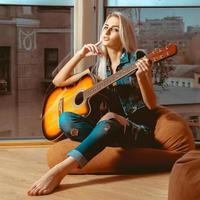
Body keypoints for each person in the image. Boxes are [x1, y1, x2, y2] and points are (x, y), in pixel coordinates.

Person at [28, 11, 158, 196]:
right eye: (105, 27)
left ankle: (60, 170)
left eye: (114, 29)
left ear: (123, 35)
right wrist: (80, 54)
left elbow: (152, 105)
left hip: (136, 129)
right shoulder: (98, 68)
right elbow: (58, 81)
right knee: (65, 118)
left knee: (110, 118)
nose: (106, 32)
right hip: (108, 130)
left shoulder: (137, 58)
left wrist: (142, 78)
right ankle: (99, 141)